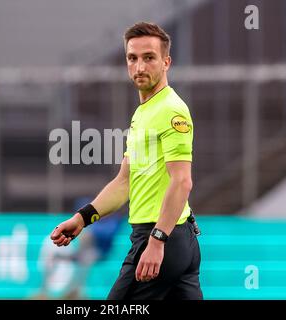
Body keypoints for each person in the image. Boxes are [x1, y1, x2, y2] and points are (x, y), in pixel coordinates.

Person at [51, 22, 203, 300]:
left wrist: (157, 241)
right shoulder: (144, 113)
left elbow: (182, 181)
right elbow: (124, 182)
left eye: (149, 58)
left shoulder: (171, 110)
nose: (139, 67)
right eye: (133, 58)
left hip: (160, 237)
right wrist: (82, 218)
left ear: (166, 62)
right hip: (176, 240)